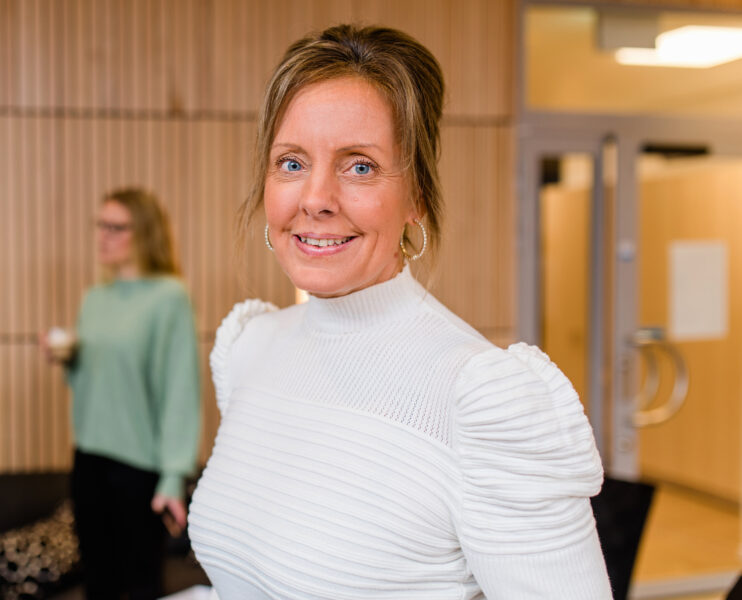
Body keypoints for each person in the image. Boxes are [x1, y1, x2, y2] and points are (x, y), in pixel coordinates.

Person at [187, 25, 611, 599]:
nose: (315, 199)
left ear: (417, 196)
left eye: (359, 166)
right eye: (291, 163)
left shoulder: (483, 401)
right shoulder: (249, 347)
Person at [42, 188, 202, 600]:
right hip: (88, 460)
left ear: (144, 232)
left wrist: (173, 475)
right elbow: (89, 386)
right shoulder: (95, 298)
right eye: (100, 225)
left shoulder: (168, 297)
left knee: (140, 588)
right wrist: (68, 359)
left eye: (116, 227)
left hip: (138, 469)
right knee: (98, 585)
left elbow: (179, 391)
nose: (103, 236)